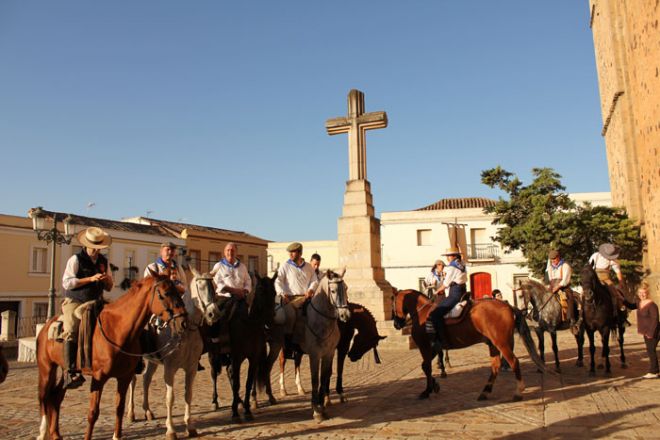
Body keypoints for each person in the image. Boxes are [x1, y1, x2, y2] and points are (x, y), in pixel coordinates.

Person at [61, 227, 114, 389]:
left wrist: (106, 280)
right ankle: (70, 371)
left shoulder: (104, 261)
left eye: (99, 247)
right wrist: (90, 279)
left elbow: (110, 287)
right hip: (76, 300)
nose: (97, 250)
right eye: (94, 247)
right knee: (71, 328)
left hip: (97, 301)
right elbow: (67, 282)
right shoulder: (75, 259)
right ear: (87, 245)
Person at [275, 242, 319, 357]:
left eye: (293, 252)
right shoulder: (285, 266)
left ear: (300, 253)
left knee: (316, 314)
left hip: (305, 298)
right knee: (290, 316)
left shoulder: (308, 267)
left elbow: (315, 280)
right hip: (289, 299)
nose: (290, 254)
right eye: (289, 252)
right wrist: (282, 293)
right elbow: (278, 281)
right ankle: (288, 346)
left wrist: (311, 289)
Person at [426, 248, 467, 351]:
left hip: (455, 293)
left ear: (454, 256)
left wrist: (436, 292)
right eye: (447, 256)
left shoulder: (452, 267)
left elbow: (445, 284)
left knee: (435, 314)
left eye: (448, 256)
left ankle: (443, 341)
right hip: (463, 291)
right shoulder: (462, 264)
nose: (447, 258)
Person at [624, 282, 659, 378]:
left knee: (651, 350)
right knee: (650, 350)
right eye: (640, 293)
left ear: (648, 293)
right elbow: (631, 306)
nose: (642, 295)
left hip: (654, 331)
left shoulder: (652, 305)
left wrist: (651, 333)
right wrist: (621, 299)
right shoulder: (639, 303)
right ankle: (655, 371)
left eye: (644, 292)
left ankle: (654, 372)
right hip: (646, 331)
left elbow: (655, 320)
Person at [211, 242, 252, 320]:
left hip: (240, 300)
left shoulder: (242, 267)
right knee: (219, 321)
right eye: (228, 250)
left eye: (232, 250)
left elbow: (248, 281)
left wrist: (244, 291)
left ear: (236, 252)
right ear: (224, 252)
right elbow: (218, 283)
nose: (230, 252)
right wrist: (234, 291)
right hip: (224, 300)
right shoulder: (218, 266)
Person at [546, 249, 579, 333]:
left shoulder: (565, 266)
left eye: (554, 259)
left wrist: (557, 287)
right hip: (552, 286)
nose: (553, 261)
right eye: (551, 259)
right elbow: (549, 278)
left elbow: (565, 280)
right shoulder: (550, 267)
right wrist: (549, 286)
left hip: (563, 287)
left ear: (558, 257)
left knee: (569, 298)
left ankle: (572, 320)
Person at [589, 243, 626, 314]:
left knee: (614, 292)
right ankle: (580, 309)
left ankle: (618, 308)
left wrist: (621, 282)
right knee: (585, 291)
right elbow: (589, 266)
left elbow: (618, 272)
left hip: (605, 278)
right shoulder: (596, 255)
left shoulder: (613, 261)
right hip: (594, 278)